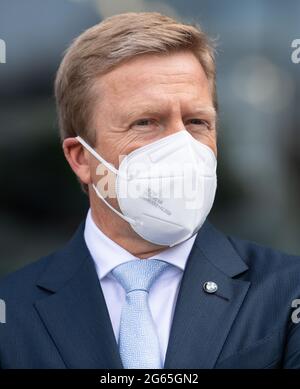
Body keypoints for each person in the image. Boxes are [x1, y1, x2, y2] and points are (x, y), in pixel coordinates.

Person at [0, 12, 300, 369]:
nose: (182, 145)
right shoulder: (11, 312)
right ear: (81, 158)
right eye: (145, 122)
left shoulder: (287, 294)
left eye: (197, 122)